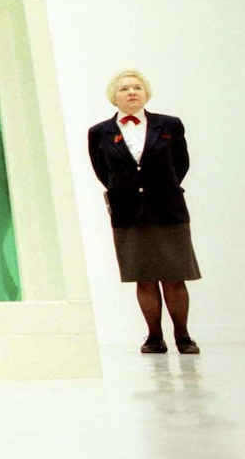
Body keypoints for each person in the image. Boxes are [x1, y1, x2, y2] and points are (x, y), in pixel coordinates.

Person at [88, 69, 201, 354]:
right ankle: (154, 337)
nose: (131, 92)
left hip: (168, 210)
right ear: (114, 97)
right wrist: (128, 191)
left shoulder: (169, 125)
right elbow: (103, 170)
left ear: (146, 93)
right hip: (128, 213)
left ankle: (183, 337)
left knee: (175, 275)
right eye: (124, 88)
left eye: (137, 87)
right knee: (144, 275)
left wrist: (160, 189)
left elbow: (181, 164)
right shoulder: (99, 132)